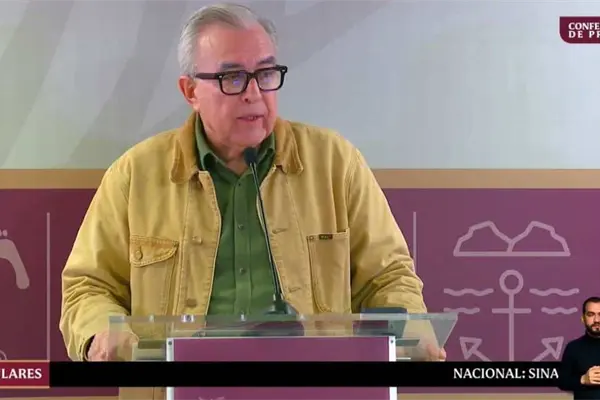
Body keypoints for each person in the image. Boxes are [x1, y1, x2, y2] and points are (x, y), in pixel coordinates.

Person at [59, 2, 444, 364]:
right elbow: (87, 286)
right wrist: (101, 333)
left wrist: (412, 325)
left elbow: (387, 276)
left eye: (265, 74)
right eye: (233, 77)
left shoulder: (334, 163)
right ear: (190, 91)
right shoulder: (135, 175)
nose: (254, 93)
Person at [558, 296, 600, 399]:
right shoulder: (573, 347)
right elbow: (562, 381)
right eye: (590, 314)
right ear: (583, 319)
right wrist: (583, 379)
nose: (596, 320)